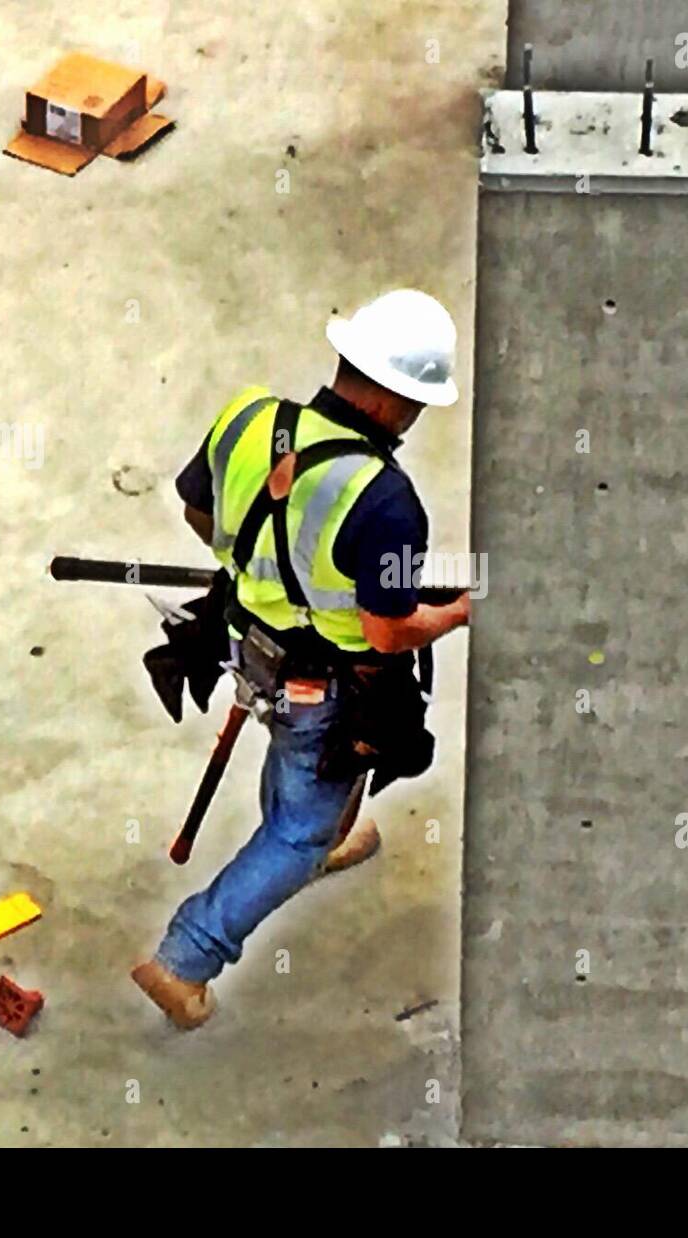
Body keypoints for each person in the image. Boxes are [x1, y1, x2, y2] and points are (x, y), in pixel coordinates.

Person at [132, 289, 471, 1029]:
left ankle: (322, 833)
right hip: (322, 685)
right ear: (390, 402)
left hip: (243, 645)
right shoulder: (386, 502)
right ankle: (185, 957)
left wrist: (255, 571)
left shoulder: (250, 416)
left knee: (294, 758)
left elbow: (199, 507)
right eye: (416, 405)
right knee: (297, 831)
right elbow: (388, 634)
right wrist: (456, 613)